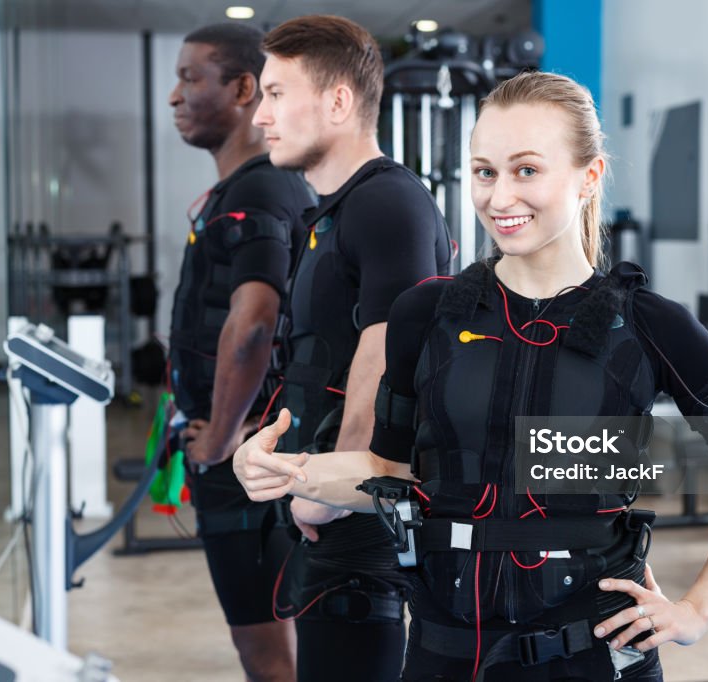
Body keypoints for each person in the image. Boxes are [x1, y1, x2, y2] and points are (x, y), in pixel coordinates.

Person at [234, 71, 708, 681]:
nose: (500, 198)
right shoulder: (426, 314)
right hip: (445, 654)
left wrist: (696, 610)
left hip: (593, 657)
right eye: (484, 172)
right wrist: (288, 471)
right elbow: (388, 473)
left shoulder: (650, 326)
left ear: (589, 176)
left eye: (526, 170)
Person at [248, 14, 452, 682]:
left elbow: (388, 355)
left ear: (338, 101)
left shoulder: (388, 203)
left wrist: (331, 492)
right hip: (327, 504)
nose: (260, 116)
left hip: (359, 520)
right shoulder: (335, 212)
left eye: (277, 94)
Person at [166, 22, 315, 682]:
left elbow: (255, 321)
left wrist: (218, 439)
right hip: (249, 448)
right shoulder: (243, 192)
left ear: (243, 88)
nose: (175, 96)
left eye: (190, 78)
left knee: (263, 651)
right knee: (275, 637)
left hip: (243, 458)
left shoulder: (260, 190)